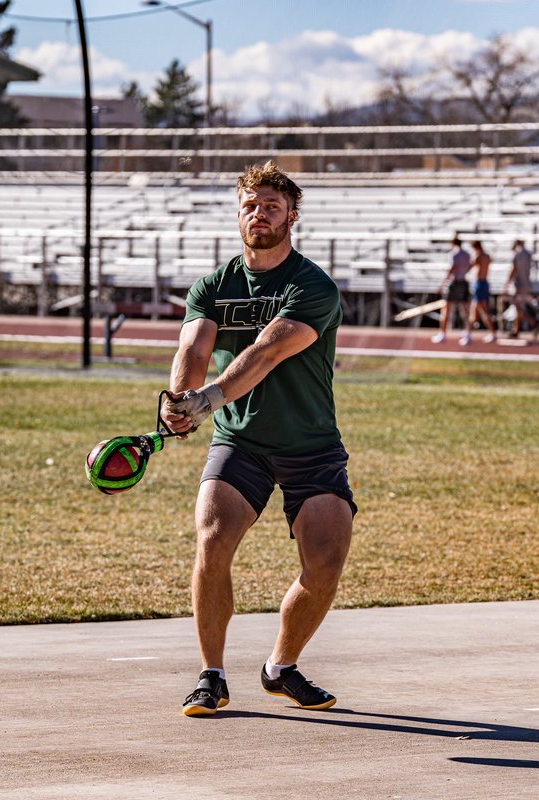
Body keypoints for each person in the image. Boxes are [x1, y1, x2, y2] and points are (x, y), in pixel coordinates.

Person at [159, 161, 357, 718]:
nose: (259, 214)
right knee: (212, 541)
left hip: (311, 443)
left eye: (271, 206)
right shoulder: (214, 285)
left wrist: (210, 397)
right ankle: (211, 676)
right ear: (238, 213)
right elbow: (195, 349)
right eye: (250, 205)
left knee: (325, 561)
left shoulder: (311, 286)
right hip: (239, 441)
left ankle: (280, 667)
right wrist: (179, 399)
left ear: (291, 216)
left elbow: (269, 350)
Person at [432, 237, 472, 344]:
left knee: (446, 310)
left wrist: (443, 283)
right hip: (463, 281)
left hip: (455, 283)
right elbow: (469, 266)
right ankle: (468, 334)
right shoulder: (467, 254)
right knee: (465, 311)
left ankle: (443, 334)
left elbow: (452, 268)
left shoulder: (454, 254)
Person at [465, 240, 498, 344]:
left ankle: (492, 332)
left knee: (482, 311)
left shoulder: (478, 256)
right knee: (475, 311)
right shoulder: (487, 256)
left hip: (479, 284)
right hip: (485, 283)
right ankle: (468, 334)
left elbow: (469, 266)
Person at [503, 239, 538, 338]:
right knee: (519, 307)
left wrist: (506, 284)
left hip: (519, 285)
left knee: (518, 307)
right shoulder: (528, 254)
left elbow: (514, 270)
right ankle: (517, 329)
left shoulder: (517, 255)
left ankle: (533, 324)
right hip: (527, 283)